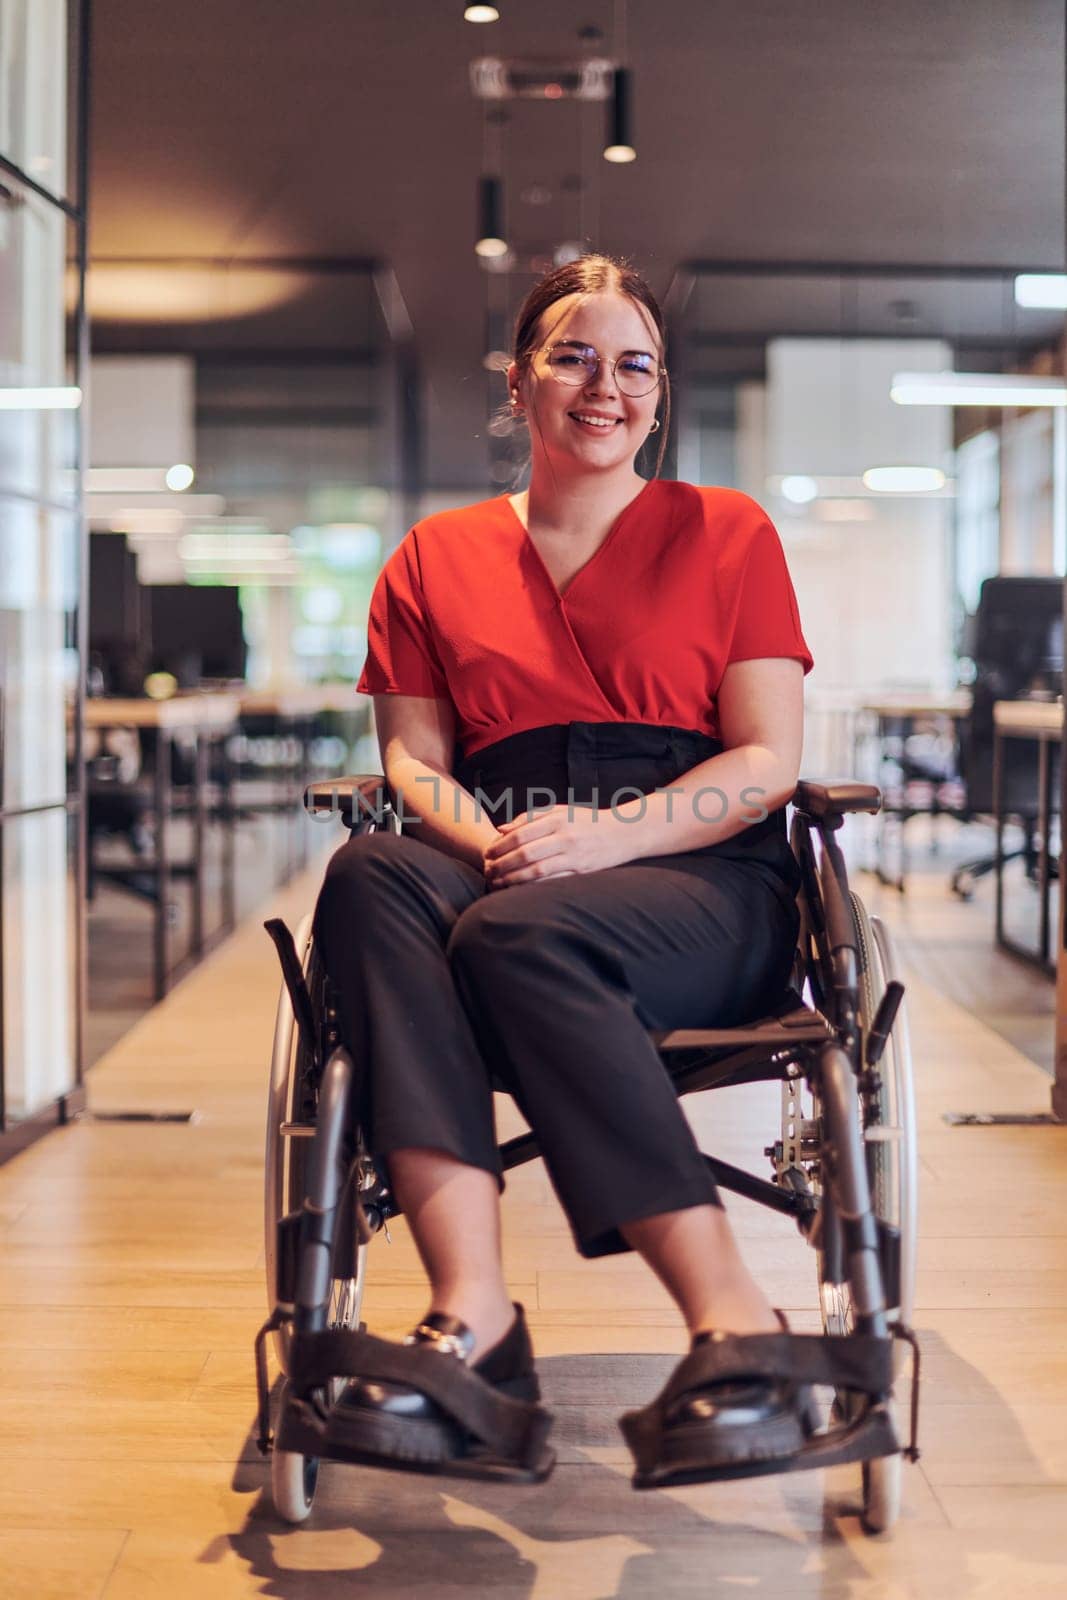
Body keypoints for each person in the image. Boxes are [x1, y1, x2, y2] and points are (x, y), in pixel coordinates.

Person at [312, 253, 814, 1487]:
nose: (607, 386)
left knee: (514, 935)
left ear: (658, 389)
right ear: (519, 381)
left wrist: (612, 833)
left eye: (634, 362)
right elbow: (412, 764)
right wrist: (498, 846)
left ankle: (734, 1317)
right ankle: (474, 1316)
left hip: (694, 869)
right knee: (373, 872)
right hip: (505, 841)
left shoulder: (727, 531)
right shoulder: (434, 556)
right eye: (573, 356)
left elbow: (765, 757)